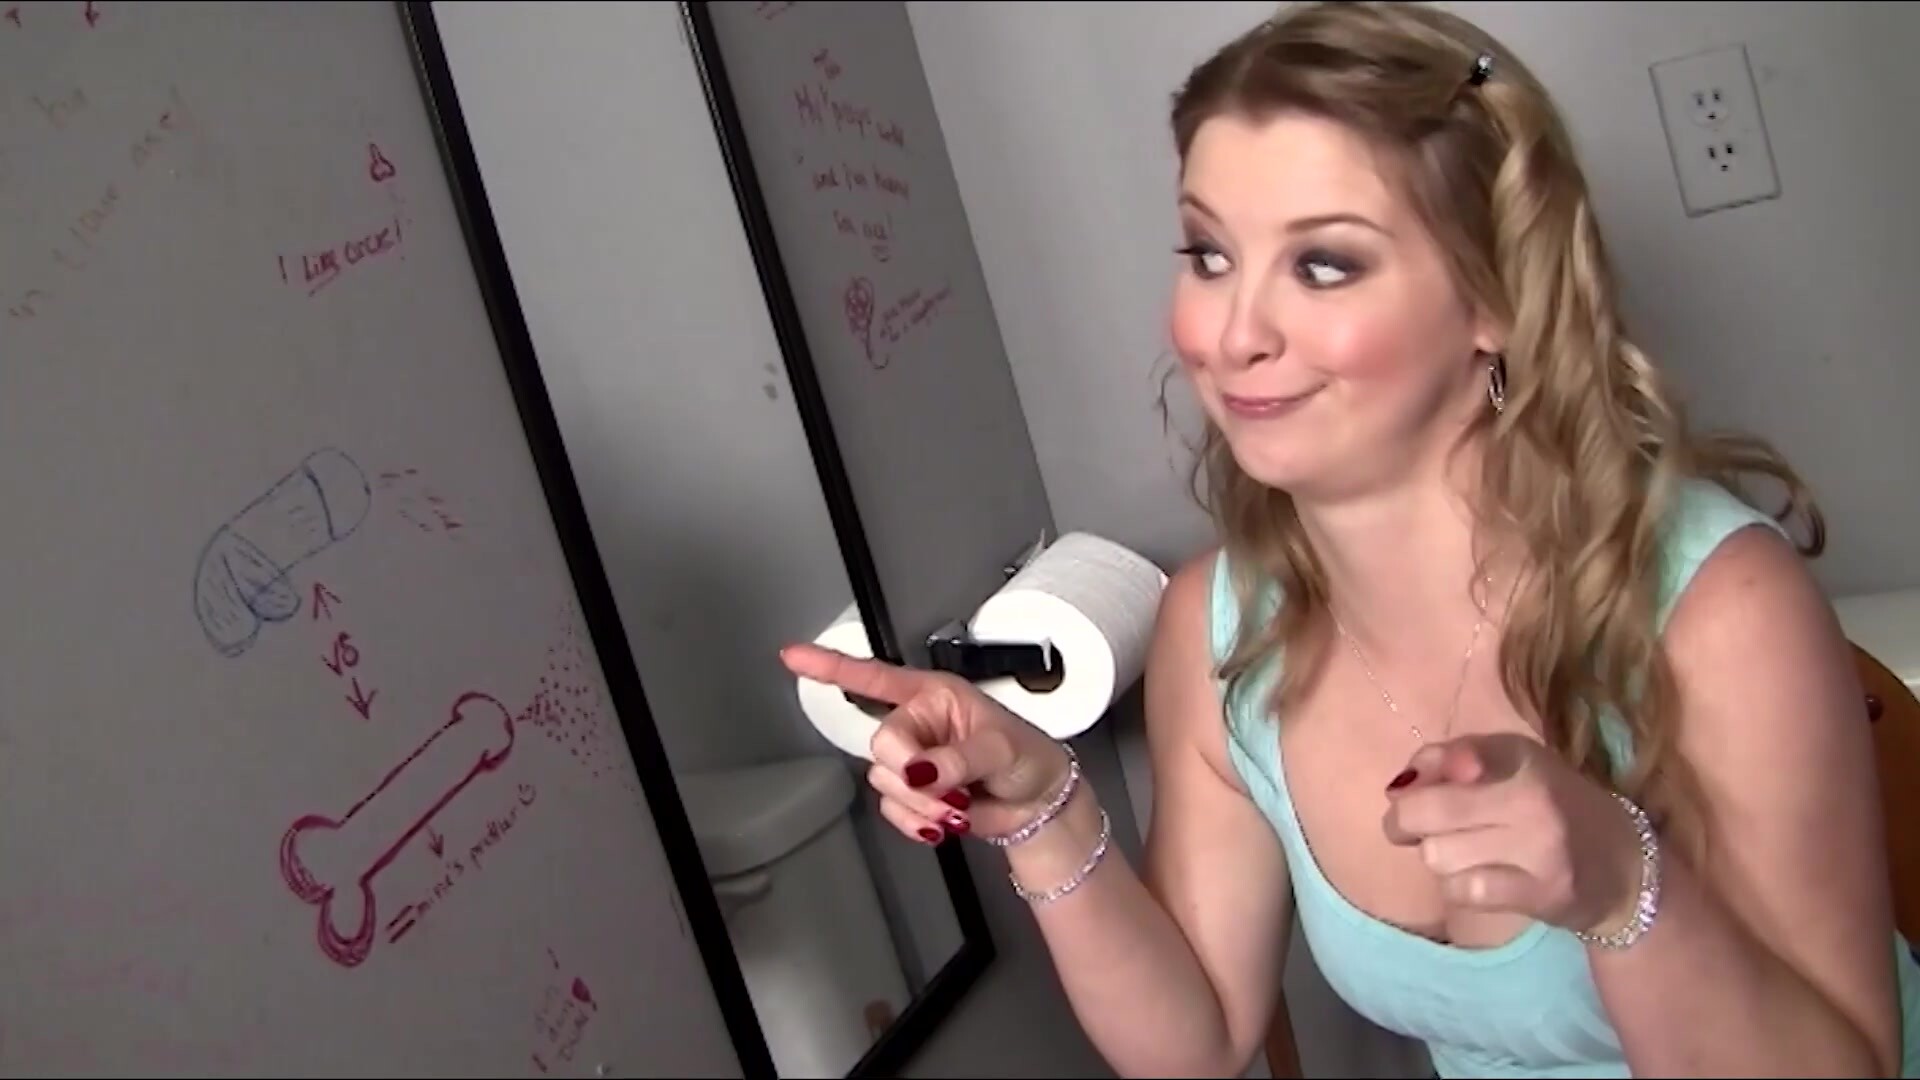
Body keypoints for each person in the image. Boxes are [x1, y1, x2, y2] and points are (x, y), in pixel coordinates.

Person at [780, 2, 1920, 1076]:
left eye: (1323, 264)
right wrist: (1042, 811)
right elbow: (1195, 1045)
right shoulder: (1219, 629)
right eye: (1209, 254)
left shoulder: (1720, 605)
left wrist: (1626, 886)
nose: (1234, 334)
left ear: (1496, 299)